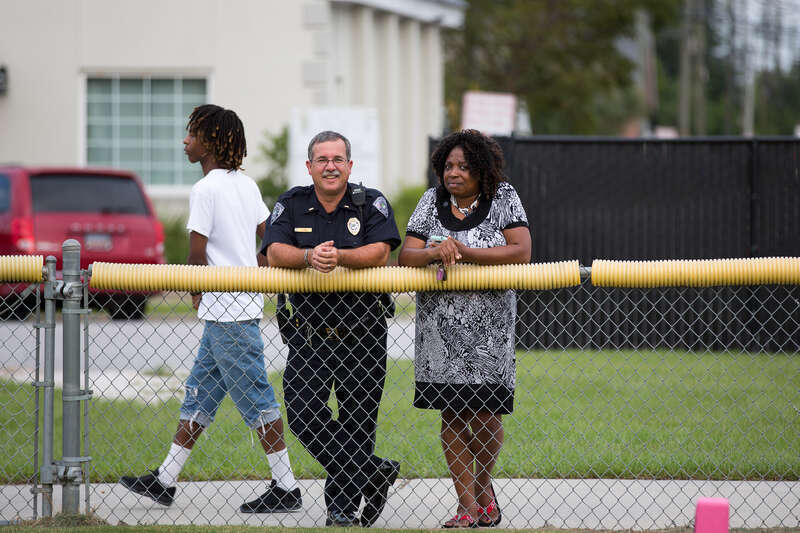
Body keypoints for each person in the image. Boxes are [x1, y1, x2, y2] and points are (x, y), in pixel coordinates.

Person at [120, 104, 302, 514]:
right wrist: (255, 266)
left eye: (192, 134)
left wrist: (196, 288)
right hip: (242, 304)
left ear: (211, 142)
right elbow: (270, 236)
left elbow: (197, 250)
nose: (186, 140)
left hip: (225, 311)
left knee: (256, 396)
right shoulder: (247, 184)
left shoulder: (205, 190)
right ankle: (165, 478)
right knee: (199, 396)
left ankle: (286, 486)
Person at [260, 130, 401, 527]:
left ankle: (341, 509)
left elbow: (381, 251)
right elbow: (273, 252)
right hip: (309, 334)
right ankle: (372, 473)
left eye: (338, 159)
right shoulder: (291, 203)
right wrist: (307, 256)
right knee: (304, 415)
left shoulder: (369, 202)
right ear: (309, 167)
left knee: (358, 421)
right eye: (322, 160)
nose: (330, 166)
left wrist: (339, 256)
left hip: (364, 331)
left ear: (350, 166)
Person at [397, 129, 531, 528]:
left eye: (463, 166)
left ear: (481, 168)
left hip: (489, 334)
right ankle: (467, 506)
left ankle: (483, 488)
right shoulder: (431, 199)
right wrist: (434, 251)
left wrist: (464, 251)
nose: (453, 173)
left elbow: (522, 251)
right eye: (448, 166)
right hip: (440, 333)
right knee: (453, 416)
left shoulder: (503, 197)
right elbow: (407, 255)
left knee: (488, 417)